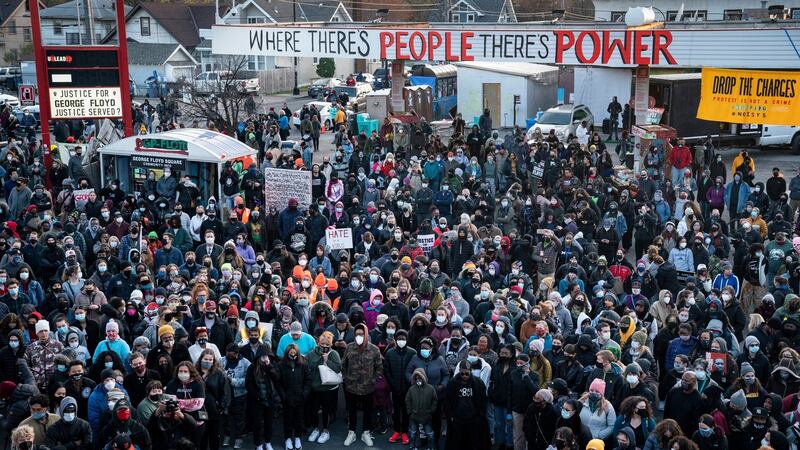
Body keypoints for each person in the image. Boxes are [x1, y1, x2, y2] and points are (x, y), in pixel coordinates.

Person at [342, 323, 382, 446]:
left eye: (361, 334)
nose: (359, 336)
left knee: (367, 411)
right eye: (357, 334)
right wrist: (345, 378)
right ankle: (351, 432)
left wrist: (373, 380)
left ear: (366, 335)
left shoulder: (374, 349)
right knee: (351, 411)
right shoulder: (349, 348)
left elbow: (379, 367)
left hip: (367, 387)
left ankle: (366, 432)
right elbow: (343, 364)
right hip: (351, 386)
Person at [444, 360, 491, 450]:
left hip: (474, 419)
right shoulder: (452, 383)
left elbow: (483, 400)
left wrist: (480, 416)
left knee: (474, 443)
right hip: (458, 419)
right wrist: (451, 416)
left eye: (467, 374)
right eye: (462, 374)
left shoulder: (478, 383)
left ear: (470, 372)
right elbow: (448, 401)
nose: (464, 376)